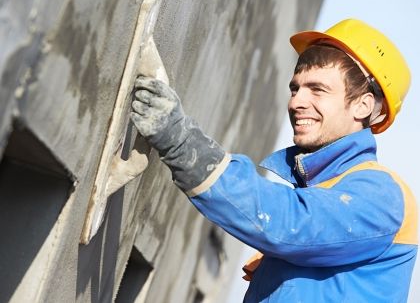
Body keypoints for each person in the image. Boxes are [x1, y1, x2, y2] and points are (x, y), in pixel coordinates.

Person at [130, 19, 418, 302]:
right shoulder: (319, 195)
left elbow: (289, 224)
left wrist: (181, 143)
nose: (296, 102)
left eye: (317, 89)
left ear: (363, 105)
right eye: (295, 89)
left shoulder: (383, 195)